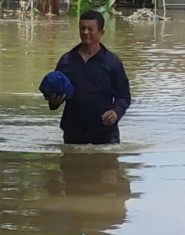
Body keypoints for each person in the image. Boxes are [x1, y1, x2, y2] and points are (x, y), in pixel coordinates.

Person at [44, 10, 131, 145]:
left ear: (101, 33)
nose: (85, 32)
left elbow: (124, 96)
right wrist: (54, 101)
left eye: (90, 29)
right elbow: (55, 97)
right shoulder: (67, 60)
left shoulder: (112, 63)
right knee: (70, 165)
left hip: (105, 133)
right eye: (82, 28)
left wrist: (115, 112)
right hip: (73, 132)